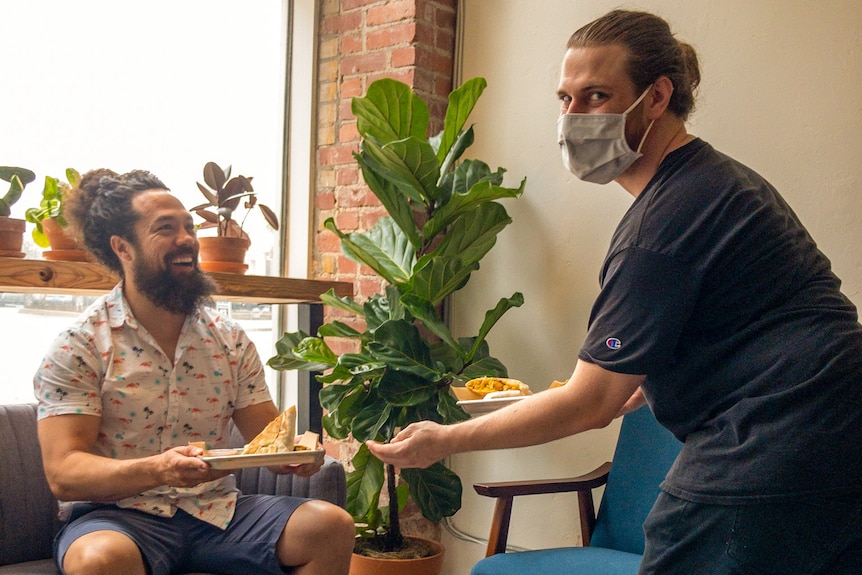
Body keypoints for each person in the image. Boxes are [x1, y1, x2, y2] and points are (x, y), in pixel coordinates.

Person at [367, 9, 862, 574]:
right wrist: (645, 382)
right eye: (565, 98)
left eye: (596, 96)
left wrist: (443, 440)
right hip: (834, 443)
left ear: (657, 97)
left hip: (769, 450)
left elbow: (588, 403)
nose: (572, 117)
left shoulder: (664, 224)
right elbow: (757, 323)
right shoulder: (719, 182)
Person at [34, 169, 354, 575]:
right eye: (165, 228)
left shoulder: (230, 340)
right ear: (123, 248)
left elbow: (267, 440)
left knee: (330, 526)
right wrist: (158, 469)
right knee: (99, 560)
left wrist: (296, 457)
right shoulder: (79, 345)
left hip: (219, 512)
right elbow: (64, 473)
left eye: (188, 226)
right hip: (119, 518)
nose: (186, 238)